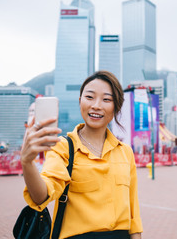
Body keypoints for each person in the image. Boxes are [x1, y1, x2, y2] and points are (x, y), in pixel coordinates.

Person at [20, 71, 143, 239]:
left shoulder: (125, 152)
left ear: (116, 107)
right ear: (80, 102)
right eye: (90, 97)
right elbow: (41, 196)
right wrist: (27, 162)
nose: (96, 105)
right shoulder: (62, 147)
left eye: (106, 99)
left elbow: (133, 214)